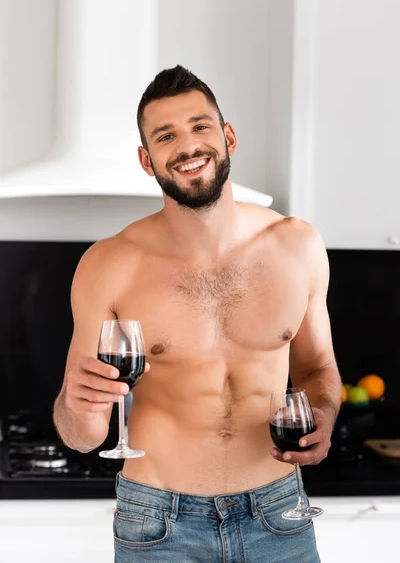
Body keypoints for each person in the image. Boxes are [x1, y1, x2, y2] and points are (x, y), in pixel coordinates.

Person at [53, 65, 342, 562]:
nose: (188, 146)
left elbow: (317, 370)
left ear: (227, 136)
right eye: (167, 136)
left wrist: (325, 416)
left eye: (200, 126)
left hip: (279, 514)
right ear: (147, 160)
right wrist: (79, 406)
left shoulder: (298, 246)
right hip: (158, 522)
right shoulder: (109, 264)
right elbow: (83, 436)